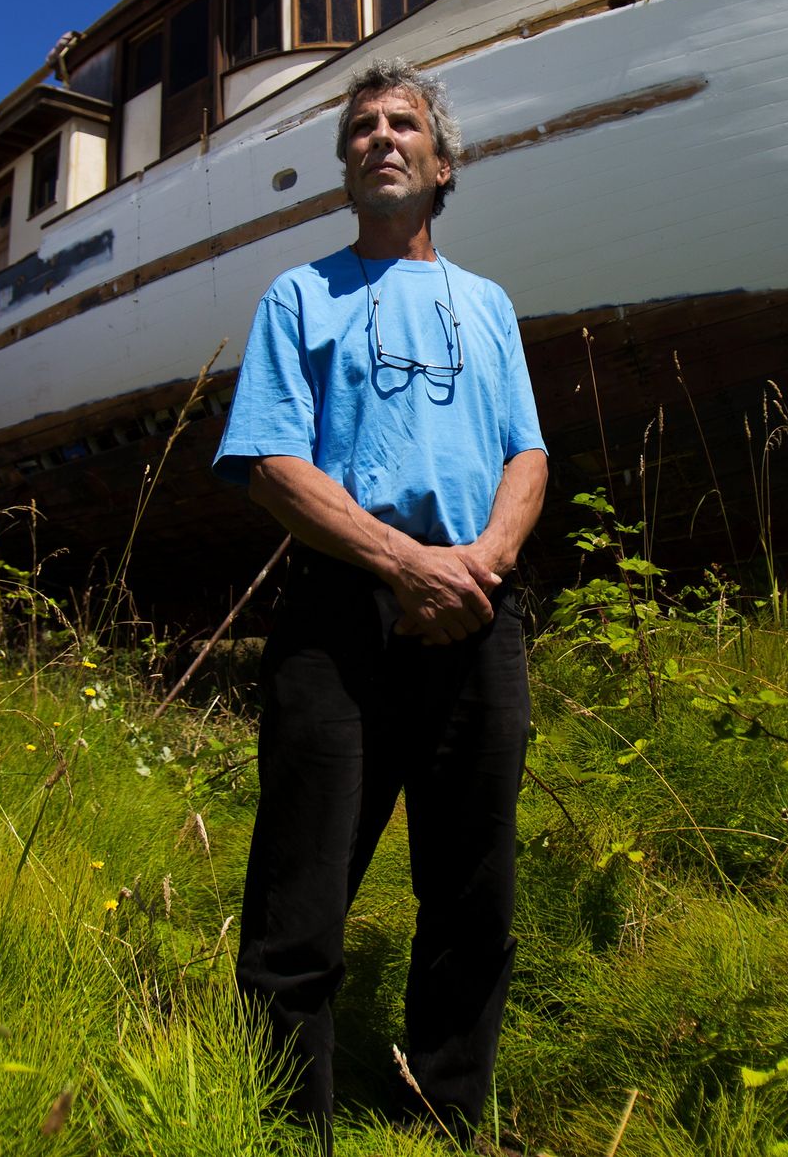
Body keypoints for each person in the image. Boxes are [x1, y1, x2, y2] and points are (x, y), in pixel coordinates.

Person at [214, 57, 547, 1147]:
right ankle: (280, 1125)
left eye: (405, 124)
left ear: (444, 165)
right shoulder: (298, 297)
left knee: (472, 888)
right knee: (301, 894)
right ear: (346, 168)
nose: (382, 137)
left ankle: (446, 1115)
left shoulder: (488, 303)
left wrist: (482, 563)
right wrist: (403, 565)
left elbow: (526, 454)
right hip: (342, 611)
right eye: (362, 127)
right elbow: (269, 459)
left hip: (478, 605)